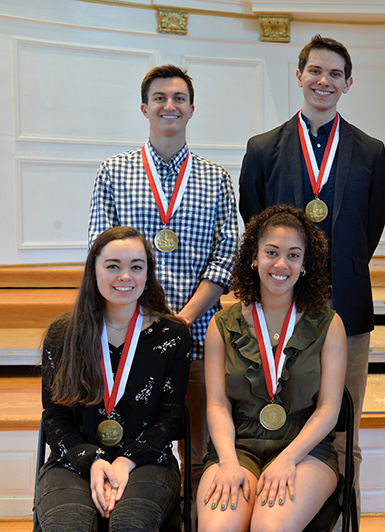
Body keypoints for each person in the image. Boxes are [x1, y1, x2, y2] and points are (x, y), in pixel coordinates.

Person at [238, 34, 385, 513]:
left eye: (335, 74)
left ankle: (346, 522)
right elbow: (254, 222)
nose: (324, 81)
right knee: (273, 425)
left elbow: (372, 222)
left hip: (347, 307)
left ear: (348, 84)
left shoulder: (370, 151)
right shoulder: (262, 149)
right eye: (316, 71)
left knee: (345, 432)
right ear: (299, 75)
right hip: (276, 315)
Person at [88, 64, 239, 505]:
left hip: (195, 338)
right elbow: (99, 255)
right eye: (159, 98)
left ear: (192, 109)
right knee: (131, 449)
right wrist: (145, 318)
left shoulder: (215, 178)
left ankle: (195, 518)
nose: (169, 105)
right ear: (144, 108)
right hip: (125, 338)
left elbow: (226, 256)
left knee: (198, 451)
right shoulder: (114, 172)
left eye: (178, 98)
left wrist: (182, 319)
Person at [198, 205, 347, 532]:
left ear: (304, 264)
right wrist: (226, 462)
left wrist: (289, 459)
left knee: (270, 526)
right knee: (217, 527)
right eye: (272, 252)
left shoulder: (329, 324)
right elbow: (217, 405)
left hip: (305, 450)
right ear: (254, 257)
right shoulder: (221, 325)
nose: (282, 264)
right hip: (238, 446)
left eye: (294, 255)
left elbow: (328, 409)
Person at [36, 226, 191, 532]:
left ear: (148, 275)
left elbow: (171, 418)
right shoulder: (62, 334)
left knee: (130, 525)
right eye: (112, 266)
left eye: (136, 266)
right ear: (93, 271)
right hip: (73, 459)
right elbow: (54, 418)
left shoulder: (173, 335)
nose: (125, 276)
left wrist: (126, 460)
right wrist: (92, 460)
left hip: (148, 460)